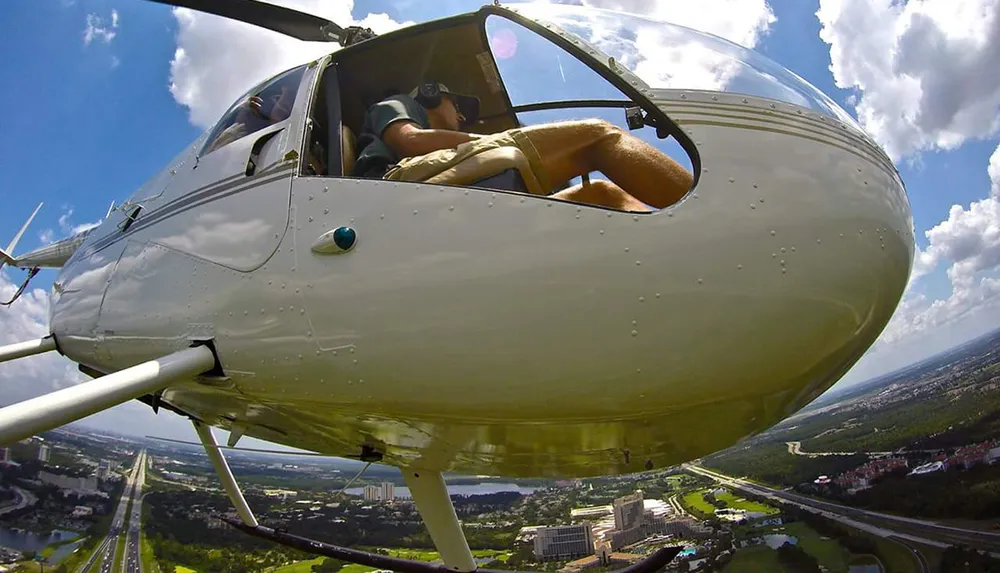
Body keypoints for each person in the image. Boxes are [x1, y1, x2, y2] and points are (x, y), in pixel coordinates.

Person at [352, 81, 693, 211]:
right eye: (456, 105)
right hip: (390, 186)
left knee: (603, 193)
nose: (460, 115)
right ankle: (712, 220)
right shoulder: (398, 104)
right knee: (598, 136)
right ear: (429, 94)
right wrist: (486, 142)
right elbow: (409, 140)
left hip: (425, 178)